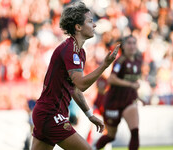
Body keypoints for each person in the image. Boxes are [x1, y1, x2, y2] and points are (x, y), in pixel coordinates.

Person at [31, 2, 120, 150]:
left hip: (47, 114)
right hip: (51, 114)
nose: (95, 25)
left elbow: (75, 90)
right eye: (90, 21)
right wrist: (104, 65)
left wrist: (89, 115)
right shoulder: (70, 50)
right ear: (78, 27)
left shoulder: (80, 52)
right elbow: (82, 85)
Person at [95, 35, 142, 150]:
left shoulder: (138, 60)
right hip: (113, 102)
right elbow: (111, 79)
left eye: (134, 43)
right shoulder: (120, 61)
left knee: (135, 132)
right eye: (129, 43)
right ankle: (94, 148)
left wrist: (137, 93)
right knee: (111, 136)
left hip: (129, 101)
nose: (132, 46)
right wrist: (131, 84)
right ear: (124, 46)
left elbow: (133, 80)